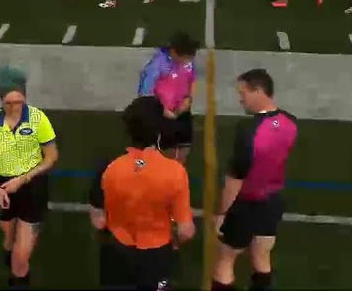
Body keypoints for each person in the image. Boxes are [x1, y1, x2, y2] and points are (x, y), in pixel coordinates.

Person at [90, 95, 195, 291]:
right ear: (159, 132)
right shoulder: (175, 171)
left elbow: (99, 220)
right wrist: (175, 241)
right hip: (157, 257)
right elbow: (186, 231)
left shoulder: (108, 167)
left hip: (116, 255)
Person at [211, 69, 298, 291]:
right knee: (262, 257)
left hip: (245, 204)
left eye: (243, 93)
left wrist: (222, 214)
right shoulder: (290, 122)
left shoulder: (248, 130)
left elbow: (235, 178)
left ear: (258, 91)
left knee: (225, 259)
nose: (241, 99)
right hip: (273, 201)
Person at [0, 66, 59, 290]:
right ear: (0, 100)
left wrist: (23, 178)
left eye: (19, 102)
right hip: (2, 186)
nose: (14, 108)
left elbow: (51, 156)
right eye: (8, 103)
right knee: (9, 238)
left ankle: (19, 274)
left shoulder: (38, 119)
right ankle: (12, 254)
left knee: (21, 257)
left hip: (32, 187)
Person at [137, 32, 199, 164]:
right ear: (174, 52)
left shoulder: (188, 59)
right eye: (185, 58)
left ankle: (177, 175)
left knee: (184, 147)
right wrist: (163, 111)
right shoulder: (156, 65)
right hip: (161, 115)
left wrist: (189, 99)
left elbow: (193, 79)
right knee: (160, 152)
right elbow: (144, 94)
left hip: (182, 111)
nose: (188, 61)